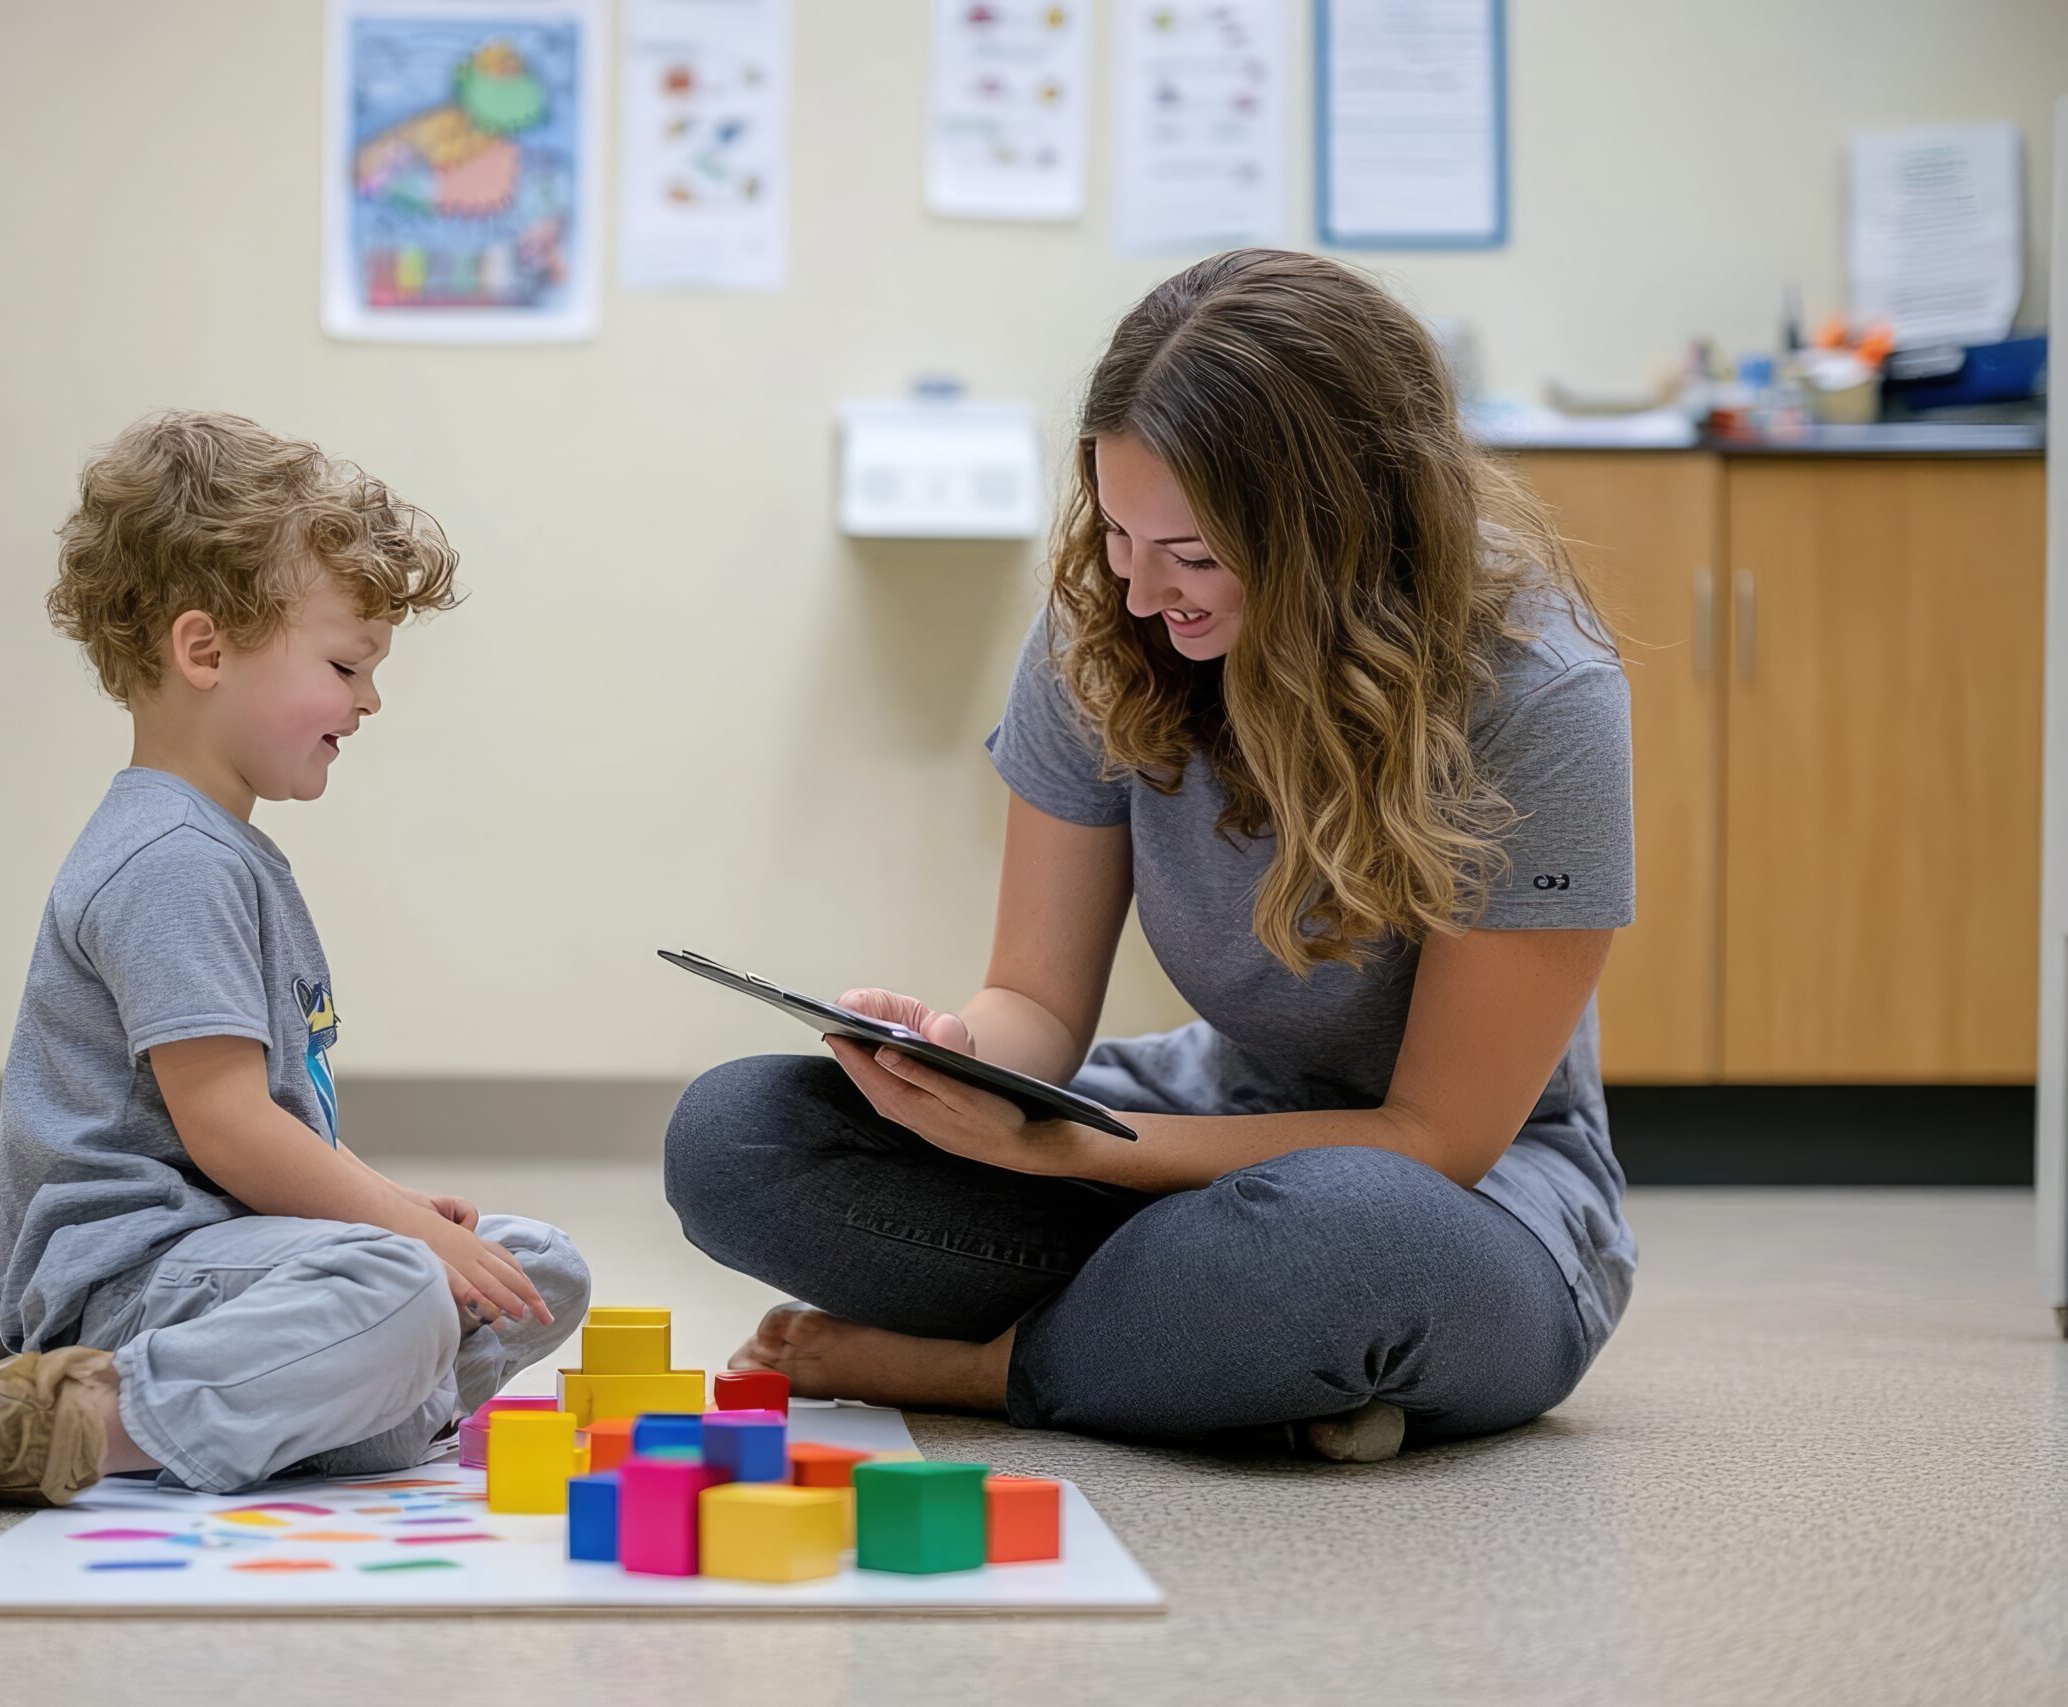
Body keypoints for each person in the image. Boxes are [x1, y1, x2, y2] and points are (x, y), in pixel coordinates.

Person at [665, 250, 1635, 1462]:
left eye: (1189, 551)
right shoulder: (1102, 629)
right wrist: (964, 1071)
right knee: (742, 1134)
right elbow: (1033, 1001)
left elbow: (1435, 1137)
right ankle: (1204, 1354)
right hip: (1192, 1134)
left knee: (1341, 1242)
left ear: (1337, 530)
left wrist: (1061, 1149)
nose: (1135, 592)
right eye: (1119, 533)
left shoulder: (1542, 695)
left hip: (1463, 1201)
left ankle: (993, 1368)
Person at [0, 410, 588, 1514]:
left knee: (542, 1269)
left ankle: (57, 1353)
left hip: (218, 1256)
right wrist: (393, 1227)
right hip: (138, 1270)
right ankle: (54, 1420)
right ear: (204, 651)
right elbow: (230, 1129)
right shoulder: (170, 861)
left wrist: (384, 1204)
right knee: (396, 1290)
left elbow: (256, 1136)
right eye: (346, 664)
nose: (371, 698)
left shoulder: (219, 847)